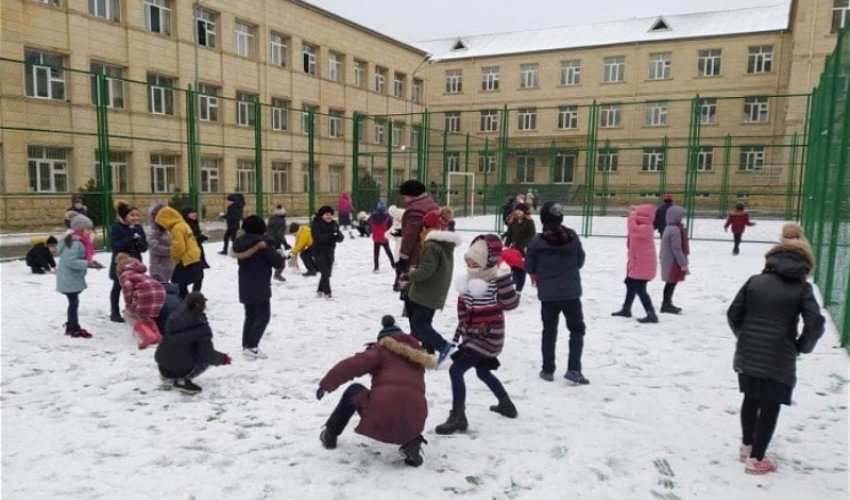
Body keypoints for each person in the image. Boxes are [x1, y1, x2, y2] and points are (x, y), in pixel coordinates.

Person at [727, 223, 824, 475]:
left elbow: (733, 314)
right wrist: (801, 346)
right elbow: (815, 323)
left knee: (750, 397)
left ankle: (747, 445)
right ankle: (757, 459)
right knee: (770, 405)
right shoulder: (802, 289)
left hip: (749, 352)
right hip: (779, 355)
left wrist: (745, 336)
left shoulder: (755, 281)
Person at [316, 315, 436, 467]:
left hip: (383, 412)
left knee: (354, 391)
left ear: (384, 341)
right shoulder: (418, 359)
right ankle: (412, 443)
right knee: (408, 401)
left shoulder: (382, 351)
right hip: (415, 419)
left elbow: (352, 365)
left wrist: (326, 384)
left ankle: (330, 434)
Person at [435, 234, 520, 435]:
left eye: (475, 260)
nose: (470, 263)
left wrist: (504, 279)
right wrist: (460, 337)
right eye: (468, 259)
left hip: (490, 337)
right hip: (473, 337)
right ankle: (506, 404)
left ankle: (458, 417)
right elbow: (463, 315)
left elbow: (511, 304)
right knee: (482, 372)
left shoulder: (493, 283)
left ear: (486, 261)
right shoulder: (467, 283)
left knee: (456, 371)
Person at [525, 201, 589, 385]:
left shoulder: (537, 242)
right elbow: (580, 260)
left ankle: (547, 369)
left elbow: (529, 266)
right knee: (577, 329)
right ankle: (574, 369)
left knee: (549, 331)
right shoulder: (572, 237)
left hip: (548, 294)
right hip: (571, 292)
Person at [401, 209, 462, 362]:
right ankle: (429, 352)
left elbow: (427, 269)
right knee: (423, 323)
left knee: (419, 323)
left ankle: (443, 347)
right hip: (436, 290)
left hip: (427, 291)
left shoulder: (432, 245)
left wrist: (410, 275)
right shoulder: (444, 243)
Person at [155, 292, 232, 394]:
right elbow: (207, 355)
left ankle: (168, 375)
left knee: (180, 347)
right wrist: (222, 358)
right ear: (199, 305)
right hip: (179, 368)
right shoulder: (202, 328)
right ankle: (181, 381)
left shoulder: (173, 317)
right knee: (205, 359)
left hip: (163, 364)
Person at [232, 215, 285, 360]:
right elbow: (277, 263)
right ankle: (252, 346)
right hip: (259, 284)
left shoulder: (240, 242)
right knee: (263, 316)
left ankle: (246, 345)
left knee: (250, 315)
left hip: (244, 283)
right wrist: (280, 255)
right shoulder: (262, 244)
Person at [612, 204, 659, 323]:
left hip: (643, 264)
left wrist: (632, 216)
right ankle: (626, 309)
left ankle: (651, 313)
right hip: (636, 262)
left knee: (640, 288)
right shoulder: (641, 225)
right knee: (630, 284)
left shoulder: (646, 227)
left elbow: (633, 229)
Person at [116, 253, 166, 350]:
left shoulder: (125, 274)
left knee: (129, 315)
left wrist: (128, 304)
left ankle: (148, 335)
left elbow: (127, 289)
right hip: (160, 293)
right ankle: (158, 335)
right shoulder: (140, 272)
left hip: (145, 295)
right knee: (143, 315)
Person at [108, 202, 148, 323]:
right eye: (132, 215)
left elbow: (144, 247)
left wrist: (139, 242)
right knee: (118, 286)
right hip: (121, 262)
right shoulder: (116, 227)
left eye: (136, 215)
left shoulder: (138, 228)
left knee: (136, 288)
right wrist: (130, 239)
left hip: (135, 262)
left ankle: (132, 310)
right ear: (124, 216)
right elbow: (115, 246)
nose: (135, 218)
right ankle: (114, 312)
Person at [56, 214, 95, 339]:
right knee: (73, 303)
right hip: (69, 278)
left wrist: (89, 263)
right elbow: (70, 261)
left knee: (73, 302)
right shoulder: (74, 242)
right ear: (80, 229)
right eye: (88, 229)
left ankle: (71, 326)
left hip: (72, 277)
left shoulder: (80, 241)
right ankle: (73, 328)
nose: (90, 232)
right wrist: (87, 263)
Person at [396, 180, 438, 291]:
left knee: (412, 286)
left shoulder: (415, 210)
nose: (404, 200)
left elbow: (411, 235)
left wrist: (403, 257)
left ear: (411, 195)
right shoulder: (431, 204)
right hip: (431, 248)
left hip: (417, 252)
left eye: (405, 197)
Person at [154, 206, 203, 299]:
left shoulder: (177, 228)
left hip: (185, 258)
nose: (163, 226)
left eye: (162, 223)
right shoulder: (183, 224)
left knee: (178, 281)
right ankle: (191, 300)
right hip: (193, 256)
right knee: (187, 280)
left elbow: (178, 246)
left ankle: (187, 302)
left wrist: (175, 258)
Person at [658, 205, 689, 314]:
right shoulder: (675, 230)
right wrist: (683, 263)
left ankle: (667, 303)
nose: (682, 219)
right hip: (672, 261)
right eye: (681, 216)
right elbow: (677, 248)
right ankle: (666, 304)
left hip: (668, 259)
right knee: (671, 282)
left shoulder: (668, 227)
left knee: (670, 282)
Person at [311, 206, 345, 298]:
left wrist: (339, 237)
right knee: (325, 272)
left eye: (330, 214)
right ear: (322, 215)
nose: (328, 216)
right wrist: (331, 235)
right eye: (326, 214)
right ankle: (327, 292)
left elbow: (339, 236)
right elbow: (317, 237)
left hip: (330, 252)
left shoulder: (334, 224)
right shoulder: (316, 224)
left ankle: (320, 290)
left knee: (328, 273)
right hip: (318, 251)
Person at [503, 202, 535, 294]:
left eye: (520, 210)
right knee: (512, 267)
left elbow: (532, 234)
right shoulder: (513, 220)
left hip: (524, 249)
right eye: (517, 210)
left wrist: (527, 245)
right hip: (514, 248)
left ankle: (519, 290)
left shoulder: (528, 221)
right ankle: (515, 281)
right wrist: (506, 245)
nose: (518, 212)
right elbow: (509, 234)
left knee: (521, 269)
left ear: (524, 211)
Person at [180, 205, 209, 287]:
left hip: (197, 252)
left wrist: (203, 236)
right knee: (193, 276)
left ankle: (194, 294)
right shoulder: (185, 225)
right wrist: (201, 237)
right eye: (191, 213)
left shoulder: (194, 223)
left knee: (199, 276)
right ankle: (186, 294)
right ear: (185, 214)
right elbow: (188, 240)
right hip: (189, 254)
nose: (194, 214)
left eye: (194, 212)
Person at [147, 201, 174, 283]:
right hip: (158, 266)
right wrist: (169, 250)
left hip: (170, 264)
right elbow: (154, 247)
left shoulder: (168, 230)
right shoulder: (153, 232)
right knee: (160, 286)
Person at [368, 202, 395, 273]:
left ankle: (376, 268)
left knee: (376, 253)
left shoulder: (372, 216)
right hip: (384, 237)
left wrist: (372, 230)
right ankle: (393, 264)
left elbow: (369, 224)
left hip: (376, 237)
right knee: (388, 251)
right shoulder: (388, 217)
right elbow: (390, 227)